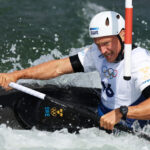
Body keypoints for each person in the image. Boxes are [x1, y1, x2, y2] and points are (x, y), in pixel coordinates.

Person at [1, 11, 150, 131]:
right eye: (98, 44)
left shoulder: (140, 61)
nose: (103, 50)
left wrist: (122, 113)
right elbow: (58, 67)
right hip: (101, 114)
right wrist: (17, 75)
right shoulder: (97, 52)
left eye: (106, 43)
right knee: (50, 111)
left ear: (123, 34)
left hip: (130, 127)